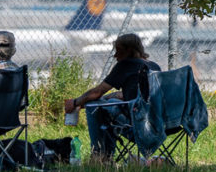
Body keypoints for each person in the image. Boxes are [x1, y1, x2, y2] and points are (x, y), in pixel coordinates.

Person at [63, 32, 161, 162]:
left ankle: (100, 154)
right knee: (105, 102)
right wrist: (105, 99)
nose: (115, 55)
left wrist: (75, 102)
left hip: (136, 124)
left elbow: (97, 92)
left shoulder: (126, 65)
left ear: (129, 51)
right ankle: (106, 155)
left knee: (94, 106)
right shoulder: (153, 66)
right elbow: (136, 95)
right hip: (158, 123)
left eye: (119, 51)